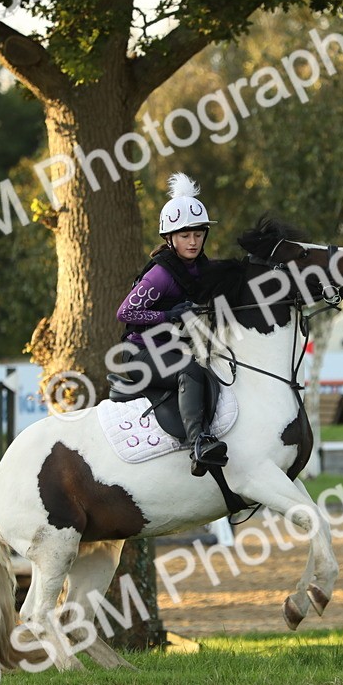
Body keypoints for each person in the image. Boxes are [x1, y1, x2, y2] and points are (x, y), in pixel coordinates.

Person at [116, 172, 227, 476]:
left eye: (198, 234)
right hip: (138, 353)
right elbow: (124, 313)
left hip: (167, 348)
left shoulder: (198, 268)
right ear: (170, 238)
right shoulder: (161, 274)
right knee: (190, 369)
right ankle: (199, 444)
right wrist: (167, 316)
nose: (193, 242)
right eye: (185, 236)